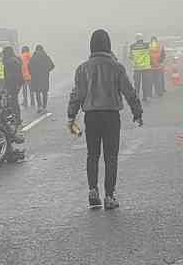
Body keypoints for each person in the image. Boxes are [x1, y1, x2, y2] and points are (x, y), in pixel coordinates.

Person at [67, 29, 143, 210]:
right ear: (108, 45)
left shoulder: (83, 68)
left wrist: (71, 115)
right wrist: (137, 111)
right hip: (111, 116)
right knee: (111, 157)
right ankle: (109, 196)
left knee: (92, 155)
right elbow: (129, 91)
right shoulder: (116, 67)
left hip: (91, 117)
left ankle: (93, 191)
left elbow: (77, 94)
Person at [1, 45, 25, 126]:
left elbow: (10, 75)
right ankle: (16, 118)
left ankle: (16, 119)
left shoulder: (9, 62)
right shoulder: (15, 59)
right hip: (16, 84)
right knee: (13, 101)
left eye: (4, 53)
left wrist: (7, 86)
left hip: (12, 84)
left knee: (12, 102)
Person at [28, 44, 56, 112]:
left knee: (37, 92)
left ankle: (39, 106)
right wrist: (47, 70)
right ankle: (44, 106)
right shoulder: (46, 57)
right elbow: (52, 66)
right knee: (44, 92)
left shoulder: (33, 58)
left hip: (35, 77)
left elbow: (29, 67)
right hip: (44, 77)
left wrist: (32, 73)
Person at [128, 32, 152, 101]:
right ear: (142, 38)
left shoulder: (132, 46)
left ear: (136, 39)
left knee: (137, 83)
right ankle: (145, 97)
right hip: (146, 67)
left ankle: (137, 96)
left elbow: (130, 57)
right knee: (145, 83)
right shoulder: (147, 45)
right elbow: (151, 53)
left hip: (137, 67)